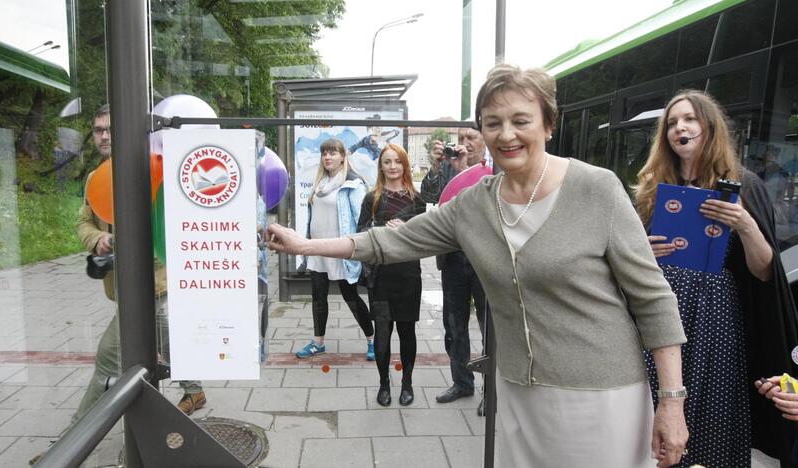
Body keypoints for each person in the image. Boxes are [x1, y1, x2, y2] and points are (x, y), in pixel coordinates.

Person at [267, 64, 689, 467]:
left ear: (548, 124)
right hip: (520, 393)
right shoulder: (473, 204)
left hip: (602, 394)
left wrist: (671, 400)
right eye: (492, 122)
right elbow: (391, 240)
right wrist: (305, 243)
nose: (506, 134)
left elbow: (652, 298)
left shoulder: (597, 189)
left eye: (521, 120)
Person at [29, 105, 206, 465]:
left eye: (110, 129)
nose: (104, 136)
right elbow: (84, 223)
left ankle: (69, 445)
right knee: (167, 343)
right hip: (125, 288)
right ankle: (195, 390)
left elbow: (172, 228)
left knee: (108, 363)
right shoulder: (97, 177)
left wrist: (136, 246)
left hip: (151, 287)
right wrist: (99, 241)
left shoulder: (152, 172)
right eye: (98, 130)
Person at [635, 89, 798, 467]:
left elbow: (763, 270)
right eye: (673, 123)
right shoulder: (652, 187)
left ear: (709, 127)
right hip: (658, 308)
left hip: (716, 316)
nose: (681, 128)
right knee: (654, 402)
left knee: (711, 407)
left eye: (690, 119)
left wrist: (743, 223)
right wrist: (642, 249)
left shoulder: (744, 184)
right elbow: (627, 259)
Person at [421, 127, 488, 413]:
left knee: (490, 328)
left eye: (471, 138)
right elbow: (426, 195)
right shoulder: (448, 168)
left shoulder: (496, 170)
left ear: (485, 140)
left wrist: (467, 170)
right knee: (454, 325)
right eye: (460, 139)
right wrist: (438, 167)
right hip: (454, 259)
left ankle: (492, 390)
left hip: (486, 260)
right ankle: (462, 382)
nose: (465, 144)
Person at [357, 143, 426, 407]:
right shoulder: (371, 197)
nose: (393, 167)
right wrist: (384, 228)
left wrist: (407, 228)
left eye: (397, 161)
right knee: (383, 333)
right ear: (381, 166)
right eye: (387, 162)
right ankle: (384, 383)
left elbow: (426, 237)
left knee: (407, 332)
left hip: (408, 275)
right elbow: (361, 233)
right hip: (381, 277)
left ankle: (407, 382)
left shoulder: (416, 199)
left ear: (405, 165)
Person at [296, 138, 374, 360]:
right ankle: (318, 342)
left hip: (340, 250)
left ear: (342, 156)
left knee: (351, 297)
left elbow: (361, 219)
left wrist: (359, 248)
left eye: (332, 153)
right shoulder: (319, 183)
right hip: (317, 249)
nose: (327, 157)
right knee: (318, 297)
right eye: (324, 153)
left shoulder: (352, 184)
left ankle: (371, 340)